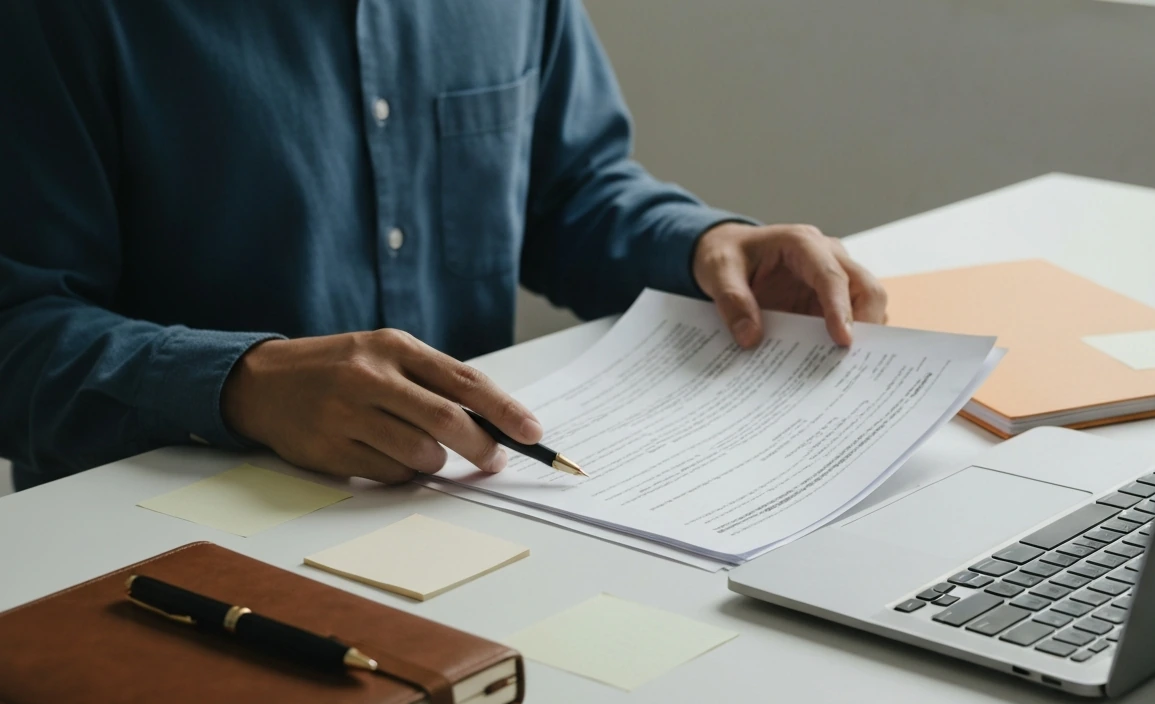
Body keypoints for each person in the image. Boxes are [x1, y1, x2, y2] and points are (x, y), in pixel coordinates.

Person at [0, 1, 887, 491]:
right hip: (162, 556)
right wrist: (241, 384)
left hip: (468, 509)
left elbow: (565, 190)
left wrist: (706, 244)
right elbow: (17, 326)